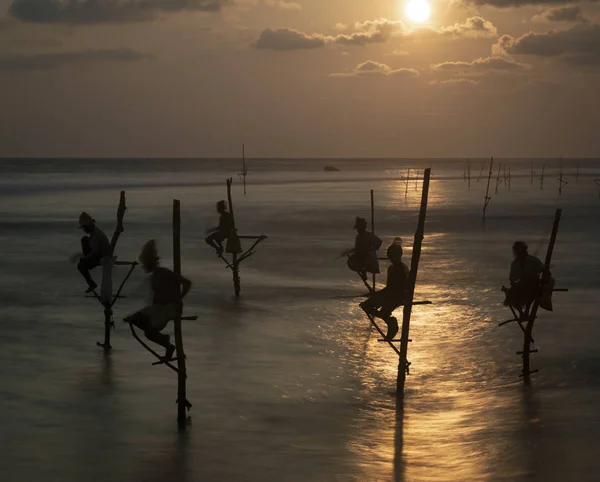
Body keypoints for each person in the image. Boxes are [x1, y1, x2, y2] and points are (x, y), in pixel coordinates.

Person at [124, 240, 192, 361]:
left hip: (170, 307)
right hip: (158, 307)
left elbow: (187, 283)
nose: (143, 267)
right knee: (133, 319)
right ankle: (162, 337)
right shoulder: (153, 276)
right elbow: (156, 298)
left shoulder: (164, 273)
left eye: (144, 264)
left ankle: (168, 346)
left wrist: (179, 299)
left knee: (149, 333)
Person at [360, 238, 409, 341]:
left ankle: (391, 323)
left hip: (397, 297)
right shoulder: (392, 268)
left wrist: (379, 295)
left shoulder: (401, 269)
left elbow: (399, 288)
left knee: (380, 310)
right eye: (390, 256)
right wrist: (378, 294)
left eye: (392, 256)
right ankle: (390, 321)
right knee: (366, 306)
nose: (391, 259)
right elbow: (390, 287)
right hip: (390, 295)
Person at [504, 241, 546, 311]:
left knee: (529, 292)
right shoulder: (515, 264)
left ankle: (527, 310)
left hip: (534, 284)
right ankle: (521, 313)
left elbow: (544, 271)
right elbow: (512, 279)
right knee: (510, 297)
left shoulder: (533, 260)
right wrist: (514, 285)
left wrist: (543, 280)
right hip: (522, 285)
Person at [76, 212, 111, 293]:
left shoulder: (96, 234)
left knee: (80, 266)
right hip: (99, 255)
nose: (84, 230)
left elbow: (95, 251)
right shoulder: (94, 233)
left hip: (102, 257)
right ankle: (91, 283)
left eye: (84, 228)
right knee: (84, 239)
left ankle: (91, 283)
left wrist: (85, 258)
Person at [343, 217, 382, 281]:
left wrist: (372, 249)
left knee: (363, 260)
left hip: (369, 258)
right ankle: (363, 271)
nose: (358, 230)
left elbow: (379, 242)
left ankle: (364, 271)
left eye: (359, 228)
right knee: (352, 260)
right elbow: (357, 248)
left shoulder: (369, 236)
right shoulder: (358, 237)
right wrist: (348, 251)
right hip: (361, 256)